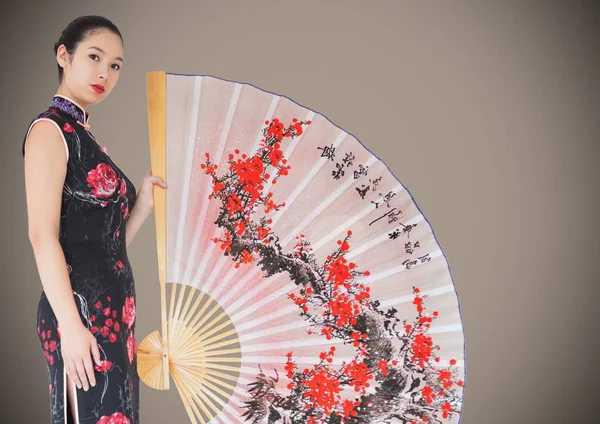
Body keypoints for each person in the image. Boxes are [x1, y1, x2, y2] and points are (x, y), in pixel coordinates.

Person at [22, 15, 166, 424]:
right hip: (79, 312)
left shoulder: (83, 136)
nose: (105, 72)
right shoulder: (50, 131)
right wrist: (71, 326)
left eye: (116, 65)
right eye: (95, 57)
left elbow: (107, 245)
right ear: (63, 56)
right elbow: (41, 235)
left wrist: (141, 207)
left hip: (115, 310)